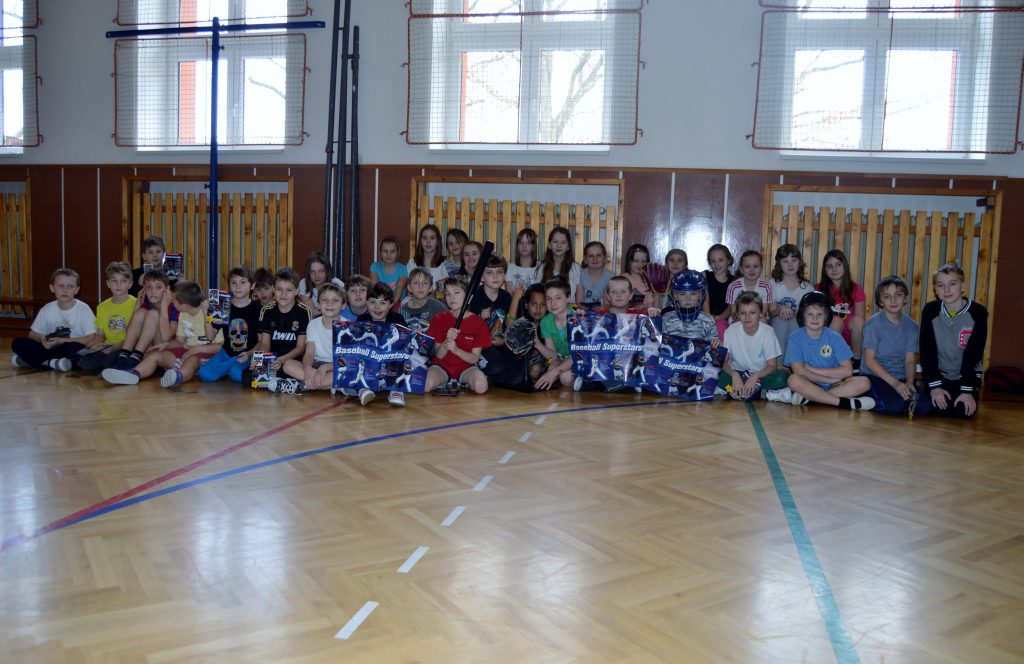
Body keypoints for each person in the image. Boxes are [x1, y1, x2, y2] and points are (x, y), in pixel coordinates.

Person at [102, 280, 223, 387]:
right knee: (155, 355)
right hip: (185, 352)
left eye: (174, 301)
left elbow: (220, 346)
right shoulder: (183, 314)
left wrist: (196, 349)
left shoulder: (209, 313)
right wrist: (166, 345)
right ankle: (133, 374)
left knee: (192, 360)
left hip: (205, 356)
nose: (172, 303)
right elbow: (180, 341)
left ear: (184, 304)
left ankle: (177, 377)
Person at [774, 291, 875, 410]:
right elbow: (799, 371)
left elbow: (847, 371)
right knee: (793, 380)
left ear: (826, 316)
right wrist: (826, 379)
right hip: (810, 383)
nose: (815, 318)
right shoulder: (794, 338)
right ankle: (842, 403)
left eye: (819, 314)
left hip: (835, 384)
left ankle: (810, 398)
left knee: (864, 382)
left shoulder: (835, 337)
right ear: (802, 316)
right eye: (810, 314)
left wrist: (812, 369)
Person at [919, 263, 988, 419]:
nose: (947, 290)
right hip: (940, 376)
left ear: (962, 286)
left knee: (962, 412)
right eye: (940, 285)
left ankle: (969, 394)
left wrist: (967, 390)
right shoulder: (930, 310)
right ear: (935, 290)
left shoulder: (978, 312)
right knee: (930, 409)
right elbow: (927, 350)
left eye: (952, 284)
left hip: (966, 376)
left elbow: (974, 353)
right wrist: (935, 387)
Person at [11, 268, 98, 371]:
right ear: (52, 288)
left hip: (70, 347)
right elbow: (32, 334)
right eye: (61, 286)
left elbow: (91, 338)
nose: (65, 290)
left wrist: (63, 340)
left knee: (79, 351)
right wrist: (42, 338)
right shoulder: (47, 309)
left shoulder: (83, 309)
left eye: (70, 286)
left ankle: (32, 361)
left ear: (76, 290)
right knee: (18, 343)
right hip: (51, 349)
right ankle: (52, 363)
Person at [861, 276, 923, 416]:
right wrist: (895, 384)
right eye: (887, 296)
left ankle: (901, 401)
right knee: (894, 406)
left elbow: (909, 360)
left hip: (900, 377)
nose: (893, 300)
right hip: (875, 376)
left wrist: (909, 382)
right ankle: (864, 398)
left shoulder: (912, 327)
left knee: (923, 406)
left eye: (898, 295)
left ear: (906, 298)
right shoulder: (872, 325)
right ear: (880, 301)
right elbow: (869, 361)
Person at [272, 282, 346, 395]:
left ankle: (303, 385)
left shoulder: (348, 327)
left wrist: (326, 367)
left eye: (335, 300)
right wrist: (307, 369)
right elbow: (309, 353)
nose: (329, 304)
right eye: (325, 300)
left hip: (336, 365)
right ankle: (329, 384)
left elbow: (346, 360)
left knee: (348, 371)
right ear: (318, 305)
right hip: (316, 364)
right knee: (287, 365)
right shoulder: (313, 324)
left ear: (343, 305)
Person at [425, 274, 492, 394]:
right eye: (448, 294)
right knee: (426, 386)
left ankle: (463, 382)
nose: (452, 297)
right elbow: (439, 355)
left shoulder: (479, 323)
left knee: (481, 387)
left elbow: (474, 358)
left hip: (466, 367)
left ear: (467, 295)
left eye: (457, 292)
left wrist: (456, 350)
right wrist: (446, 341)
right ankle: (445, 381)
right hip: (442, 366)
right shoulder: (438, 319)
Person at [106, 269, 180, 371]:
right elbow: (129, 333)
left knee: (153, 313)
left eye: (158, 287)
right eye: (149, 287)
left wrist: (164, 308)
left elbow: (166, 338)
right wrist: (137, 306)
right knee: (141, 312)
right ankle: (123, 356)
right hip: (147, 349)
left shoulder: (174, 307)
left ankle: (136, 357)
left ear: (167, 289)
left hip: (164, 350)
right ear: (144, 289)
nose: (153, 291)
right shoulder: (146, 305)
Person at [198, 266, 262, 384]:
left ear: (252, 285)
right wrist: (207, 316)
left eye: (243, 282)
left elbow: (262, 341)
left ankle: (230, 368)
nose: (238, 286)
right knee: (204, 374)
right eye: (233, 282)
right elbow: (210, 337)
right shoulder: (223, 306)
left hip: (248, 355)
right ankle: (228, 367)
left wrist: (250, 354)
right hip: (226, 354)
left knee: (237, 374)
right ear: (229, 286)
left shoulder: (258, 309)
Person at [721, 292, 787, 400]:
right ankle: (737, 390)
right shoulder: (731, 330)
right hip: (738, 372)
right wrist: (734, 375)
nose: (747, 317)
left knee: (782, 378)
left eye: (752, 312)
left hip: (761, 374)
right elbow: (723, 362)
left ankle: (737, 391)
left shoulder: (768, 331)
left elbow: (772, 366)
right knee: (718, 375)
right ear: (737, 314)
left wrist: (755, 376)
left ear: (761, 313)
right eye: (743, 313)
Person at [353, 283, 410, 406]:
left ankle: (396, 391)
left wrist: (415, 336)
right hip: (369, 363)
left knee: (404, 359)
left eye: (382, 303)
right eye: (373, 302)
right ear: (366, 302)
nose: (377, 307)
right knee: (354, 360)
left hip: (391, 363)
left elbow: (405, 343)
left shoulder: (398, 319)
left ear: (391, 305)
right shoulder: (361, 320)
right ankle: (363, 389)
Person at [78, 261, 137, 374]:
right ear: (108, 283)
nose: (118, 285)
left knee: (108, 361)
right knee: (84, 362)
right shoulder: (102, 307)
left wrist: (117, 346)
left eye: (123, 281)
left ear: (130, 284)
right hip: (107, 347)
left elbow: (137, 336)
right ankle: (107, 369)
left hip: (126, 347)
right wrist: (94, 343)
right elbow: (101, 334)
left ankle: (111, 368)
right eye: (114, 281)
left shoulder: (136, 304)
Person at [255, 268, 314, 379]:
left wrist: (282, 360)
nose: (283, 294)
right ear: (273, 289)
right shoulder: (266, 311)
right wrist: (260, 361)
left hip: (294, 359)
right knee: (248, 376)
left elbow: (301, 347)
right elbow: (265, 343)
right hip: (272, 359)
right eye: (279, 289)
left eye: (289, 290)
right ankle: (284, 382)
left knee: (287, 369)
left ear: (297, 291)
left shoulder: (304, 312)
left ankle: (288, 380)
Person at [816, 249, 866, 361]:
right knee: (836, 321)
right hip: (828, 332)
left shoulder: (856, 289)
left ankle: (856, 360)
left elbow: (860, 317)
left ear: (845, 266)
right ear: (824, 270)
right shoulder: (819, 289)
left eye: (838, 265)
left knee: (859, 321)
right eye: (829, 266)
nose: (834, 269)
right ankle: (829, 359)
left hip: (850, 336)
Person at [769, 244, 813, 358]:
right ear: (779, 264)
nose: (790, 265)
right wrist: (780, 310)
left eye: (794, 260)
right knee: (781, 321)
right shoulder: (773, 284)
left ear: (799, 262)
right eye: (785, 261)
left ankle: (795, 362)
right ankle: (778, 363)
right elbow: (771, 312)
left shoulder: (807, 288)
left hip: (797, 323)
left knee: (794, 322)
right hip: (776, 322)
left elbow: (807, 314)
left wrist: (792, 312)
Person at [533, 278, 576, 390]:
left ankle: (585, 382)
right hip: (561, 359)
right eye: (548, 299)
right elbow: (553, 356)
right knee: (550, 368)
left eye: (558, 298)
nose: (553, 303)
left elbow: (577, 355)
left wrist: (554, 372)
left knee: (565, 378)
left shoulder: (578, 318)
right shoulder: (545, 321)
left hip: (579, 360)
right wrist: (537, 343)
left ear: (568, 298)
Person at [661, 270, 719, 344]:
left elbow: (713, 344)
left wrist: (715, 342)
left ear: (700, 295)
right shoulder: (666, 319)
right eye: (682, 294)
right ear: (675, 295)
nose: (688, 298)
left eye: (693, 294)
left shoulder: (708, 320)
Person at [726, 250, 775, 321]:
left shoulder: (766, 286)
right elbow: (733, 311)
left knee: (763, 320)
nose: (751, 270)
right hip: (739, 319)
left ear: (761, 269)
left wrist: (752, 323)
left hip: (759, 319)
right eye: (747, 266)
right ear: (741, 269)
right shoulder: (733, 286)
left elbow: (763, 311)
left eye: (755, 266)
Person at [399, 267, 448, 335]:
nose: (420, 286)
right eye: (416, 283)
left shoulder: (440, 309)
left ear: (430, 288)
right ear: (409, 287)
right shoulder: (402, 311)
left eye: (425, 283)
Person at [535, 226, 580, 295]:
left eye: (563, 242)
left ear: (568, 246)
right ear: (549, 245)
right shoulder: (542, 267)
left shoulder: (575, 268)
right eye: (555, 242)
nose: (559, 245)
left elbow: (579, 298)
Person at [702, 243, 735, 339]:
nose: (716, 264)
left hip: (723, 319)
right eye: (713, 261)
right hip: (704, 317)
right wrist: (709, 318)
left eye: (720, 260)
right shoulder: (705, 276)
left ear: (728, 260)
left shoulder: (734, 281)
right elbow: (705, 300)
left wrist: (719, 317)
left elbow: (730, 307)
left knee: (719, 326)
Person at [369, 235, 409, 303]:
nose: (388, 254)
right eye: (385, 251)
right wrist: (382, 304)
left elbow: (399, 289)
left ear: (397, 253)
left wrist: (391, 305)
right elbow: (375, 288)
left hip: (398, 302)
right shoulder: (375, 267)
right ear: (380, 252)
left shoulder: (403, 269)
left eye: (392, 251)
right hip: (380, 302)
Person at [577, 241, 613, 309]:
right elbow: (579, 304)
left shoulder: (610, 276)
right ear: (585, 259)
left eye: (598, 255)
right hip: (583, 312)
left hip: (603, 312)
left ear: (605, 258)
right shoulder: (580, 274)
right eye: (591, 256)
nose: (595, 259)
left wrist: (598, 311)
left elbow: (607, 305)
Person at [506, 227, 539, 292]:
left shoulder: (540, 268)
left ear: (533, 247)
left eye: (528, 243)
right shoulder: (510, 268)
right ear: (517, 246)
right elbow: (509, 296)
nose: (524, 246)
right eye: (521, 242)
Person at [621, 243, 654, 308]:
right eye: (636, 261)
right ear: (629, 261)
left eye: (643, 261)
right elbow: (615, 304)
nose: (640, 264)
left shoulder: (652, 280)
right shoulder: (621, 280)